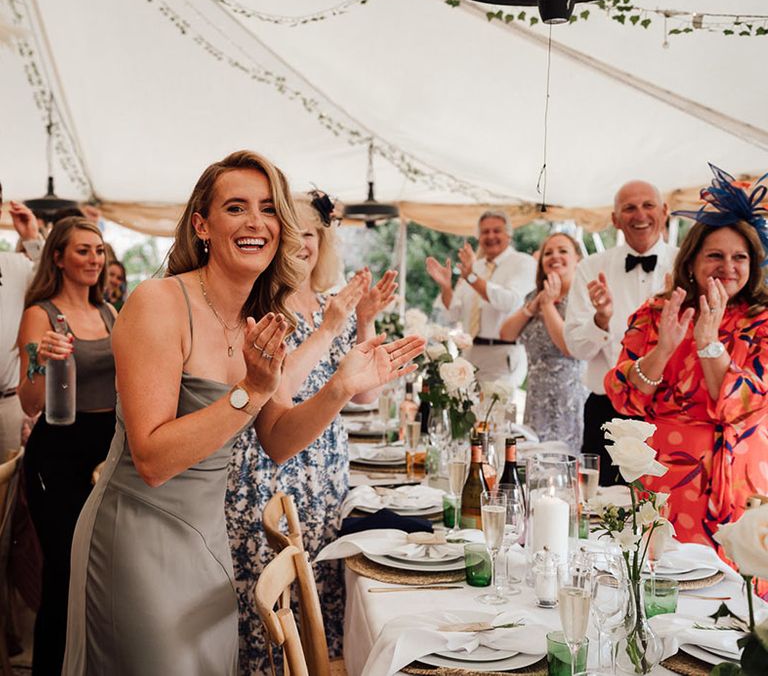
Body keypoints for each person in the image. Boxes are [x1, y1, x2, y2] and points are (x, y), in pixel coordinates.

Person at [62, 150, 423, 675]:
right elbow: (154, 459)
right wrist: (251, 390)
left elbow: (275, 439)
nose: (257, 222)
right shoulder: (159, 303)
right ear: (203, 225)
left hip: (209, 537)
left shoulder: (259, 315)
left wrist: (341, 387)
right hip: (139, 534)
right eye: (237, 208)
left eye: (269, 209)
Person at [226, 194, 396, 673]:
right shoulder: (264, 304)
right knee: (273, 615)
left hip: (324, 471)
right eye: (293, 231)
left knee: (316, 601)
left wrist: (363, 320)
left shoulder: (329, 303)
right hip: (272, 468)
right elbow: (274, 388)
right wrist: (329, 328)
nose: (303, 243)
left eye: (312, 233)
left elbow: (363, 396)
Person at [605, 166, 768, 561]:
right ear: (692, 260)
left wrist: (709, 344)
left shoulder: (762, 321)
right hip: (665, 478)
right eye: (715, 255)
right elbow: (624, 397)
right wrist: (663, 350)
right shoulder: (658, 312)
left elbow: (745, 405)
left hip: (742, 481)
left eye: (739, 257)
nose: (728, 266)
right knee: (663, 584)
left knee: (732, 600)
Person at [16, 217, 116, 676]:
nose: (95, 259)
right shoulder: (41, 313)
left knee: (101, 573)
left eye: (99, 250)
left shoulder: (111, 313)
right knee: (63, 571)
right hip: (56, 455)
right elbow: (30, 401)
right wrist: (41, 360)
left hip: (108, 455)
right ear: (58, 257)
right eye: (83, 250)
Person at [564, 180, 677, 485]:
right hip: (607, 411)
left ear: (664, 211)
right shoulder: (590, 268)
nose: (639, 214)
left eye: (648, 205)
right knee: (602, 514)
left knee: (664, 512)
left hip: (670, 411)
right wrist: (601, 319)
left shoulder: (685, 264)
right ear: (615, 219)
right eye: (629, 208)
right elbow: (576, 348)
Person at [500, 233, 587, 452]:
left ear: (578, 258)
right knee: (533, 465)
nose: (554, 256)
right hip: (536, 397)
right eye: (548, 253)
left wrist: (548, 306)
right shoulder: (535, 296)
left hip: (569, 400)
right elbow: (506, 334)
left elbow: (569, 346)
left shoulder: (583, 297)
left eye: (563, 251)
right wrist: (534, 304)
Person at [426, 210, 536, 386]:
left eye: (496, 230)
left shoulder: (523, 262)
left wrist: (472, 278)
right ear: (479, 237)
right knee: (467, 411)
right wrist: (446, 286)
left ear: (508, 234)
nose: (490, 236)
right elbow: (454, 313)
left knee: (497, 411)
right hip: (471, 353)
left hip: (504, 353)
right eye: (485, 232)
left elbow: (509, 302)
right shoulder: (474, 267)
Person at [0, 196, 44, 456]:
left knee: (7, 491)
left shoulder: (15, 264)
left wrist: (32, 238)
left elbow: (52, 281)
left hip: (7, 403)